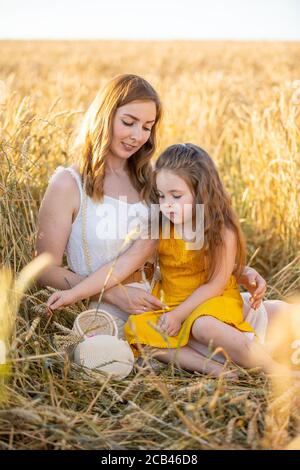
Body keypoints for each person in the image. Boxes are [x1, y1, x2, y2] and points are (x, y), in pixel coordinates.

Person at [38, 74, 271, 371]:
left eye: (147, 127)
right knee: (107, 354)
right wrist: (109, 293)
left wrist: (237, 271)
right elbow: (44, 270)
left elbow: (195, 243)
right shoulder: (68, 184)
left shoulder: (156, 182)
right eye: (129, 122)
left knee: (268, 324)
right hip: (108, 306)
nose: (137, 135)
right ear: (105, 116)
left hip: (179, 300)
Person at [123, 143, 300, 378]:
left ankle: (277, 372)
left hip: (218, 311)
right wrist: (76, 291)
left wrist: (178, 315)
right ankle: (215, 368)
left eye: (176, 196)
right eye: (161, 196)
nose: (166, 204)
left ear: (201, 193)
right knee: (136, 328)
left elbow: (215, 283)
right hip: (183, 311)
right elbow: (127, 266)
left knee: (204, 324)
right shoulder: (162, 229)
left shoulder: (220, 230)